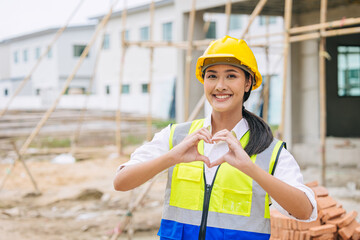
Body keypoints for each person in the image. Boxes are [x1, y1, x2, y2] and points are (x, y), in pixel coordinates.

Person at [113, 36, 317, 240]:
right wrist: (172, 157)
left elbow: (305, 211)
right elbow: (121, 182)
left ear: (248, 83)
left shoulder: (268, 150)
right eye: (211, 76)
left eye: (231, 76)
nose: (220, 85)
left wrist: (251, 169)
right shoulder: (177, 137)